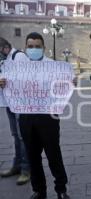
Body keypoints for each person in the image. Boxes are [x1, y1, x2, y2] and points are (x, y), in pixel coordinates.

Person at [0, 32, 71, 199]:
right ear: (25, 48)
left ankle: (61, 189)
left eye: (37, 46)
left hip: (48, 117)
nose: (34, 49)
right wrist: (2, 83)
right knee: (33, 156)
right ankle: (39, 190)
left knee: (54, 155)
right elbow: (8, 88)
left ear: (43, 48)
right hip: (26, 117)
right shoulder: (14, 68)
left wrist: (69, 83)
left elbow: (62, 87)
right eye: (30, 46)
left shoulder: (53, 66)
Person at [0, 37, 31, 185]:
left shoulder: (18, 56)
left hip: (21, 104)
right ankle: (17, 165)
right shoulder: (4, 60)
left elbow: (29, 78)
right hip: (9, 103)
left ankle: (26, 169)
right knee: (15, 135)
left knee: (22, 137)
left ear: (5, 47)